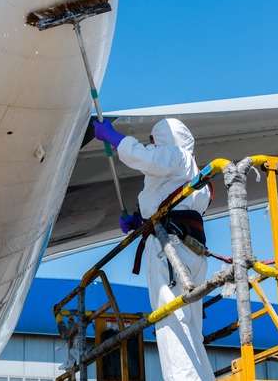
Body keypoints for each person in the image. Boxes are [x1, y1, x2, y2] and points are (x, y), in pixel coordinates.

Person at [93, 118, 215, 381]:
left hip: (169, 246)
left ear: (166, 139)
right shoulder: (194, 174)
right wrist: (140, 221)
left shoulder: (176, 155)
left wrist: (114, 138)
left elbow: (146, 159)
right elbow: (174, 202)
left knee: (170, 317)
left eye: (154, 139)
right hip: (191, 248)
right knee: (191, 323)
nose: (151, 144)